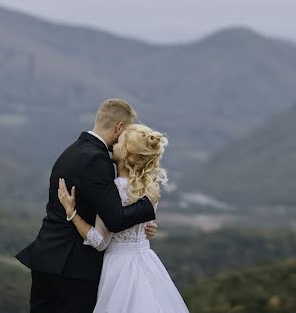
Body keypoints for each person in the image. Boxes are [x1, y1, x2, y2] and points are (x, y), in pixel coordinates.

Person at [16, 98, 158, 312]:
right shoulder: (97, 160)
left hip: (46, 257)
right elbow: (116, 219)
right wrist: (148, 204)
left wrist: (141, 227)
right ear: (119, 128)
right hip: (73, 269)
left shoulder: (72, 150)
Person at [57, 122, 189, 312]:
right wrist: (150, 229)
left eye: (118, 142)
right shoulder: (150, 189)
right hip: (147, 259)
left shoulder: (115, 190)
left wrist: (72, 213)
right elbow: (145, 225)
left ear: (126, 153)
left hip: (119, 267)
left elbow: (100, 241)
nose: (112, 145)